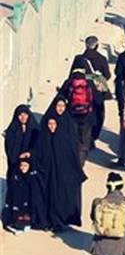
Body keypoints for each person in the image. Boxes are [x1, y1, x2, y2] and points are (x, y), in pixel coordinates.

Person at [35, 99, 86, 231]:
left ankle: (60, 221)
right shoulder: (47, 122)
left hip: (63, 169)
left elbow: (73, 148)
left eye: (63, 106)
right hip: (48, 170)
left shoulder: (68, 123)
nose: (60, 108)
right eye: (58, 105)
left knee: (61, 195)